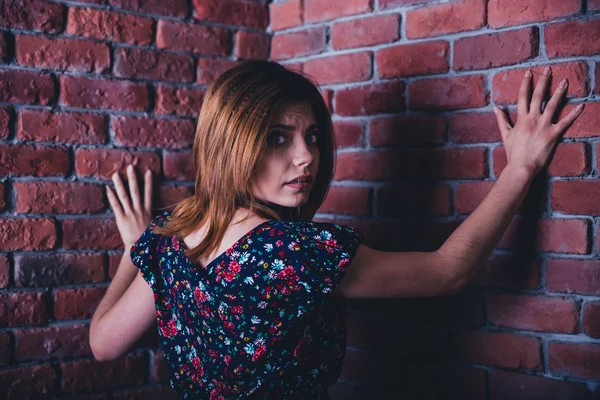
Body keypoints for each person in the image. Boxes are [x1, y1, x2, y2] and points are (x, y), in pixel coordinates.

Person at [89, 61, 584, 399]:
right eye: (277, 138)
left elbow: (102, 343)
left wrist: (136, 250)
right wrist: (519, 168)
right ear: (231, 143)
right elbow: (446, 271)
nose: (305, 155)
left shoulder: (169, 240)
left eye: (311, 136)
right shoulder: (292, 254)